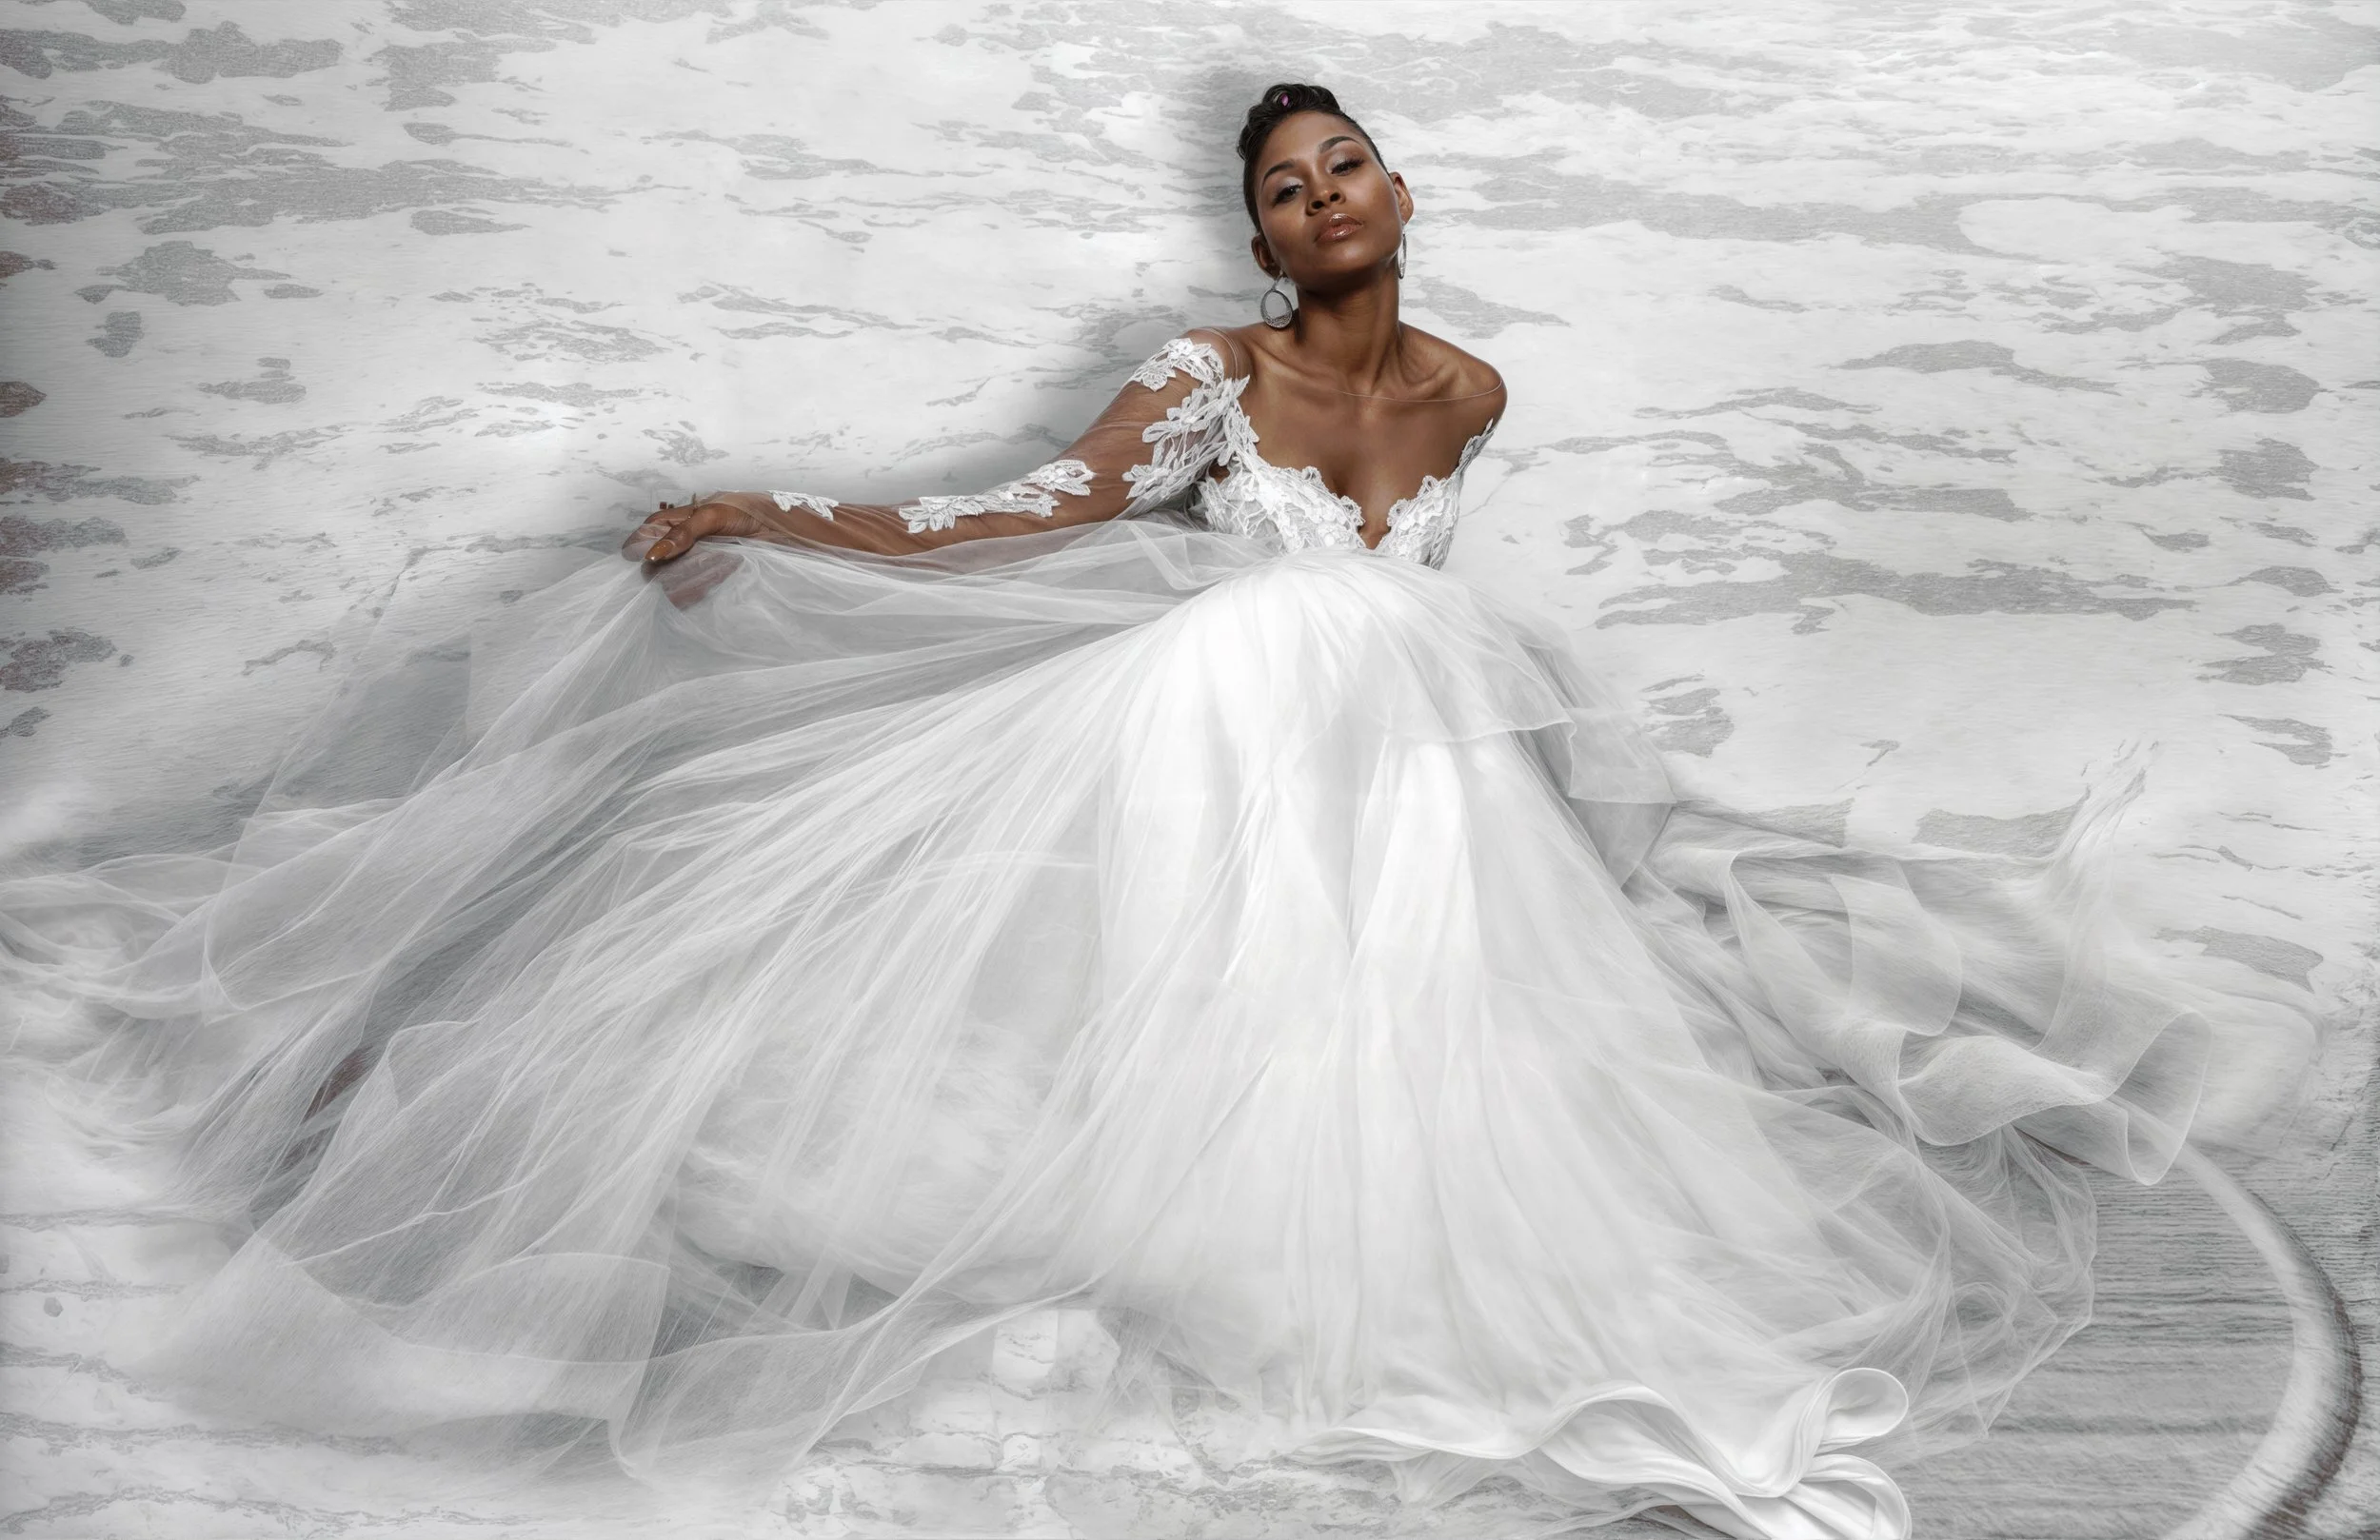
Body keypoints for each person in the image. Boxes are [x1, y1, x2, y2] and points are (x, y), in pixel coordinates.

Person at [0, 83, 2321, 1540]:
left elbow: (1429, 582)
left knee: (1450, 1042)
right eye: (1274, 182)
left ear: (1400, 189)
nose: (1311, 199)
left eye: (1338, 165)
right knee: (1142, 1023)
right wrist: (770, 511)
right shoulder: (1207, 371)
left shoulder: (1478, 381)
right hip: (1215, 711)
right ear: (1254, 233)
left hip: (1410, 742)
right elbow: (1022, 514)